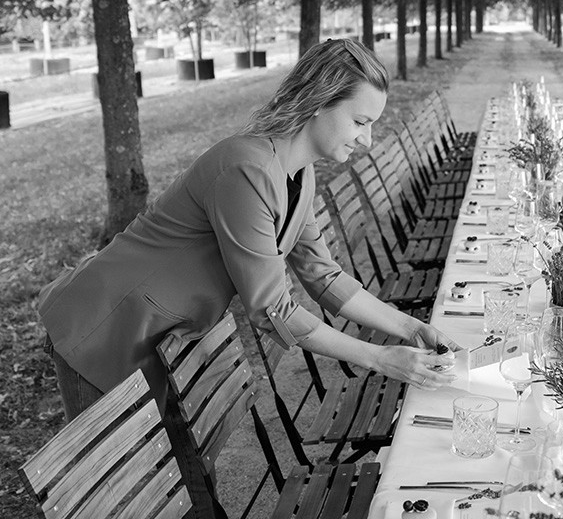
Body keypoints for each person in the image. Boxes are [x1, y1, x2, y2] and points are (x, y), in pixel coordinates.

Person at [37, 38, 459, 517]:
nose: (367, 140)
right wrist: (380, 358)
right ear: (318, 102)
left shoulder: (300, 174)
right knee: (119, 498)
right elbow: (271, 308)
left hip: (163, 339)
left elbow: (323, 276)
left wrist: (409, 328)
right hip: (103, 325)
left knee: (185, 493)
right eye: (360, 122)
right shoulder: (246, 166)